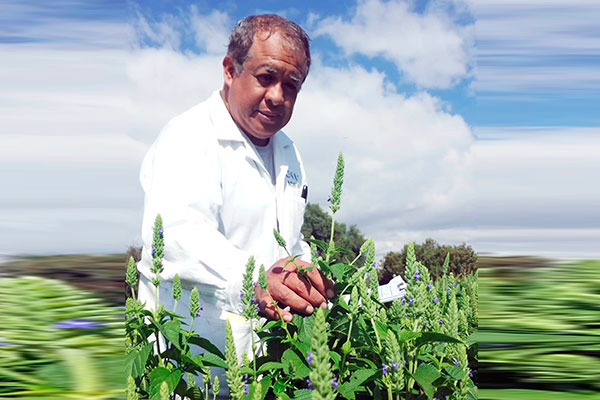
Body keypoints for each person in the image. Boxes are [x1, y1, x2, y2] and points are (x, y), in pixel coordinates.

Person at [136, 13, 334, 394]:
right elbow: (177, 236)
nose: (277, 96)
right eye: (266, 77)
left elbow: (287, 243)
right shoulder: (189, 136)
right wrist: (257, 279)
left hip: (267, 367)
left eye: (291, 85)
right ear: (230, 70)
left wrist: (306, 272)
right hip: (192, 372)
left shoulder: (290, 154)